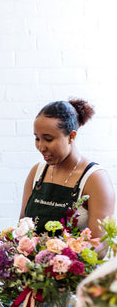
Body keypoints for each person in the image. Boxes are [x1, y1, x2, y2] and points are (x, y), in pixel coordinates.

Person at [20, 99, 115, 236]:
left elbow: (99, 246)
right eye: (37, 138)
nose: (41, 147)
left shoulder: (95, 179)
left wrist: (57, 254)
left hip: (74, 258)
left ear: (71, 136)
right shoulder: (37, 172)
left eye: (48, 139)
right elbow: (22, 228)